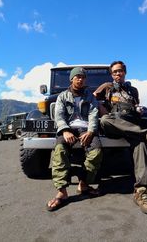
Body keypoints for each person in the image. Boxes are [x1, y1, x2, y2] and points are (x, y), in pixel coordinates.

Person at [94, 60, 147, 215]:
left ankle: (141, 192)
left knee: (140, 144)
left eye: (119, 71)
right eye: (114, 72)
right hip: (113, 124)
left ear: (124, 72)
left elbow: (135, 105)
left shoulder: (133, 90)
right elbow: (92, 98)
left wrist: (138, 110)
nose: (117, 74)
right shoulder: (106, 87)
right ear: (111, 74)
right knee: (105, 119)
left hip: (131, 125)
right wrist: (101, 108)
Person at [47, 67, 103, 211]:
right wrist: (65, 130)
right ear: (71, 79)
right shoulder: (62, 96)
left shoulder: (89, 96)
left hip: (86, 129)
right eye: (77, 76)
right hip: (68, 128)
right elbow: (59, 115)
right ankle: (62, 192)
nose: (80, 79)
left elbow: (93, 113)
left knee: (96, 151)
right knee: (59, 151)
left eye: (82, 77)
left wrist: (91, 131)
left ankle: (83, 183)